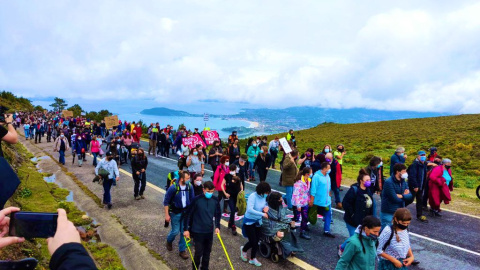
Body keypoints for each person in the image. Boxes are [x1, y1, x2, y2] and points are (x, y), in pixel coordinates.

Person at [183, 181, 221, 270]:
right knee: (198, 253)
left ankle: (204, 268)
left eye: (212, 191)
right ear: (203, 190)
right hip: (198, 231)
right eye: (208, 191)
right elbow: (188, 214)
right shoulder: (196, 200)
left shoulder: (215, 200)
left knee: (207, 253)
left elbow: (218, 214)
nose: (210, 193)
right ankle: (195, 268)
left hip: (209, 231)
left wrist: (218, 226)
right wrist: (186, 229)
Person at [339, 169, 376, 256]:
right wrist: (352, 214)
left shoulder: (368, 190)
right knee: (354, 238)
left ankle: (344, 247)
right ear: (361, 181)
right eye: (367, 180)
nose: (369, 182)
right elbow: (346, 203)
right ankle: (343, 250)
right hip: (352, 220)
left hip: (363, 221)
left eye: (369, 180)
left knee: (358, 237)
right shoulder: (354, 190)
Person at [261, 192, 303, 258]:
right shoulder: (266, 209)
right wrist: (275, 233)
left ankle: (291, 248)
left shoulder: (280, 206)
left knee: (288, 230)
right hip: (271, 228)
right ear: (275, 201)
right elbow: (265, 224)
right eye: (280, 199)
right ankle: (285, 250)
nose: (281, 200)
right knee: (281, 234)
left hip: (279, 225)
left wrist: (290, 222)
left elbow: (283, 217)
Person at [163, 171, 194, 260]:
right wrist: (166, 215)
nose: (189, 180)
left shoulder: (189, 186)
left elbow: (192, 200)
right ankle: (169, 241)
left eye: (189, 178)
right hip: (175, 213)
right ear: (181, 179)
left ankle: (182, 250)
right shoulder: (173, 188)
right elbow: (166, 202)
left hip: (186, 213)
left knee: (184, 232)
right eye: (187, 178)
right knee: (175, 231)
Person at [240, 182, 271, 267]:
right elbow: (249, 209)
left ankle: (253, 258)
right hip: (249, 221)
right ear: (261, 191)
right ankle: (244, 250)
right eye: (266, 193)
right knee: (253, 241)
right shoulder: (253, 196)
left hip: (258, 221)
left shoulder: (263, 197)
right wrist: (262, 214)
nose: (266, 194)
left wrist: (266, 207)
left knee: (257, 240)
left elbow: (264, 204)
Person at [380, 164, 413, 229]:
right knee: (385, 231)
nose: (405, 173)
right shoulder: (389, 182)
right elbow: (394, 199)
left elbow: (410, 196)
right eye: (404, 171)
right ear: (398, 172)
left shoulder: (403, 181)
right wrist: (405, 196)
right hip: (389, 212)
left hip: (399, 212)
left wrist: (402, 196)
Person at [309, 162, 335, 238]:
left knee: (328, 214)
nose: (330, 169)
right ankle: (304, 225)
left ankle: (327, 231)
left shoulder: (327, 176)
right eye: (328, 168)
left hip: (327, 200)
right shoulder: (316, 177)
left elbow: (328, 186)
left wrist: (329, 194)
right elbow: (313, 189)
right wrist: (311, 200)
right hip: (318, 201)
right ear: (324, 168)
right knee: (311, 213)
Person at [407, 151, 428, 223]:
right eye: (422, 155)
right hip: (414, 186)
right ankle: (399, 209)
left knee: (420, 200)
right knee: (410, 199)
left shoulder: (424, 164)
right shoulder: (414, 164)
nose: (423, 156)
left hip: (421, 186)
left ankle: (419, 215)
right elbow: (412, 176)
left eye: (424, 155)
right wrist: (415, 186)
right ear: (418, 156)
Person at [222, 164, 243, 235]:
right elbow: (222, 185)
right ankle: (233, 226)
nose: (232, 171)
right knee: (233, 210)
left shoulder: (238, 175)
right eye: (231, 170)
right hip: (230, 196)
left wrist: (241, 190)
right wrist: (225, 193)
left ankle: (230, 222)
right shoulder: (227, 176)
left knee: (234, 210)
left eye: (233, 170)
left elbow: (241, 184)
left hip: (237, 196)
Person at [292, 167, 312, 239]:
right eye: (311, 173)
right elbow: (296, 194)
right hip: (298, 203)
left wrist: (309, 200)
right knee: (296, 218)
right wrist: (298, 205)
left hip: (305, 202)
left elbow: (307, 192)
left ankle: (302, 231)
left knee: (305, 217)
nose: (311, 174)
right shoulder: (298, 183)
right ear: (307, 174)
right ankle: (290, 226)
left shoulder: (308, 181)